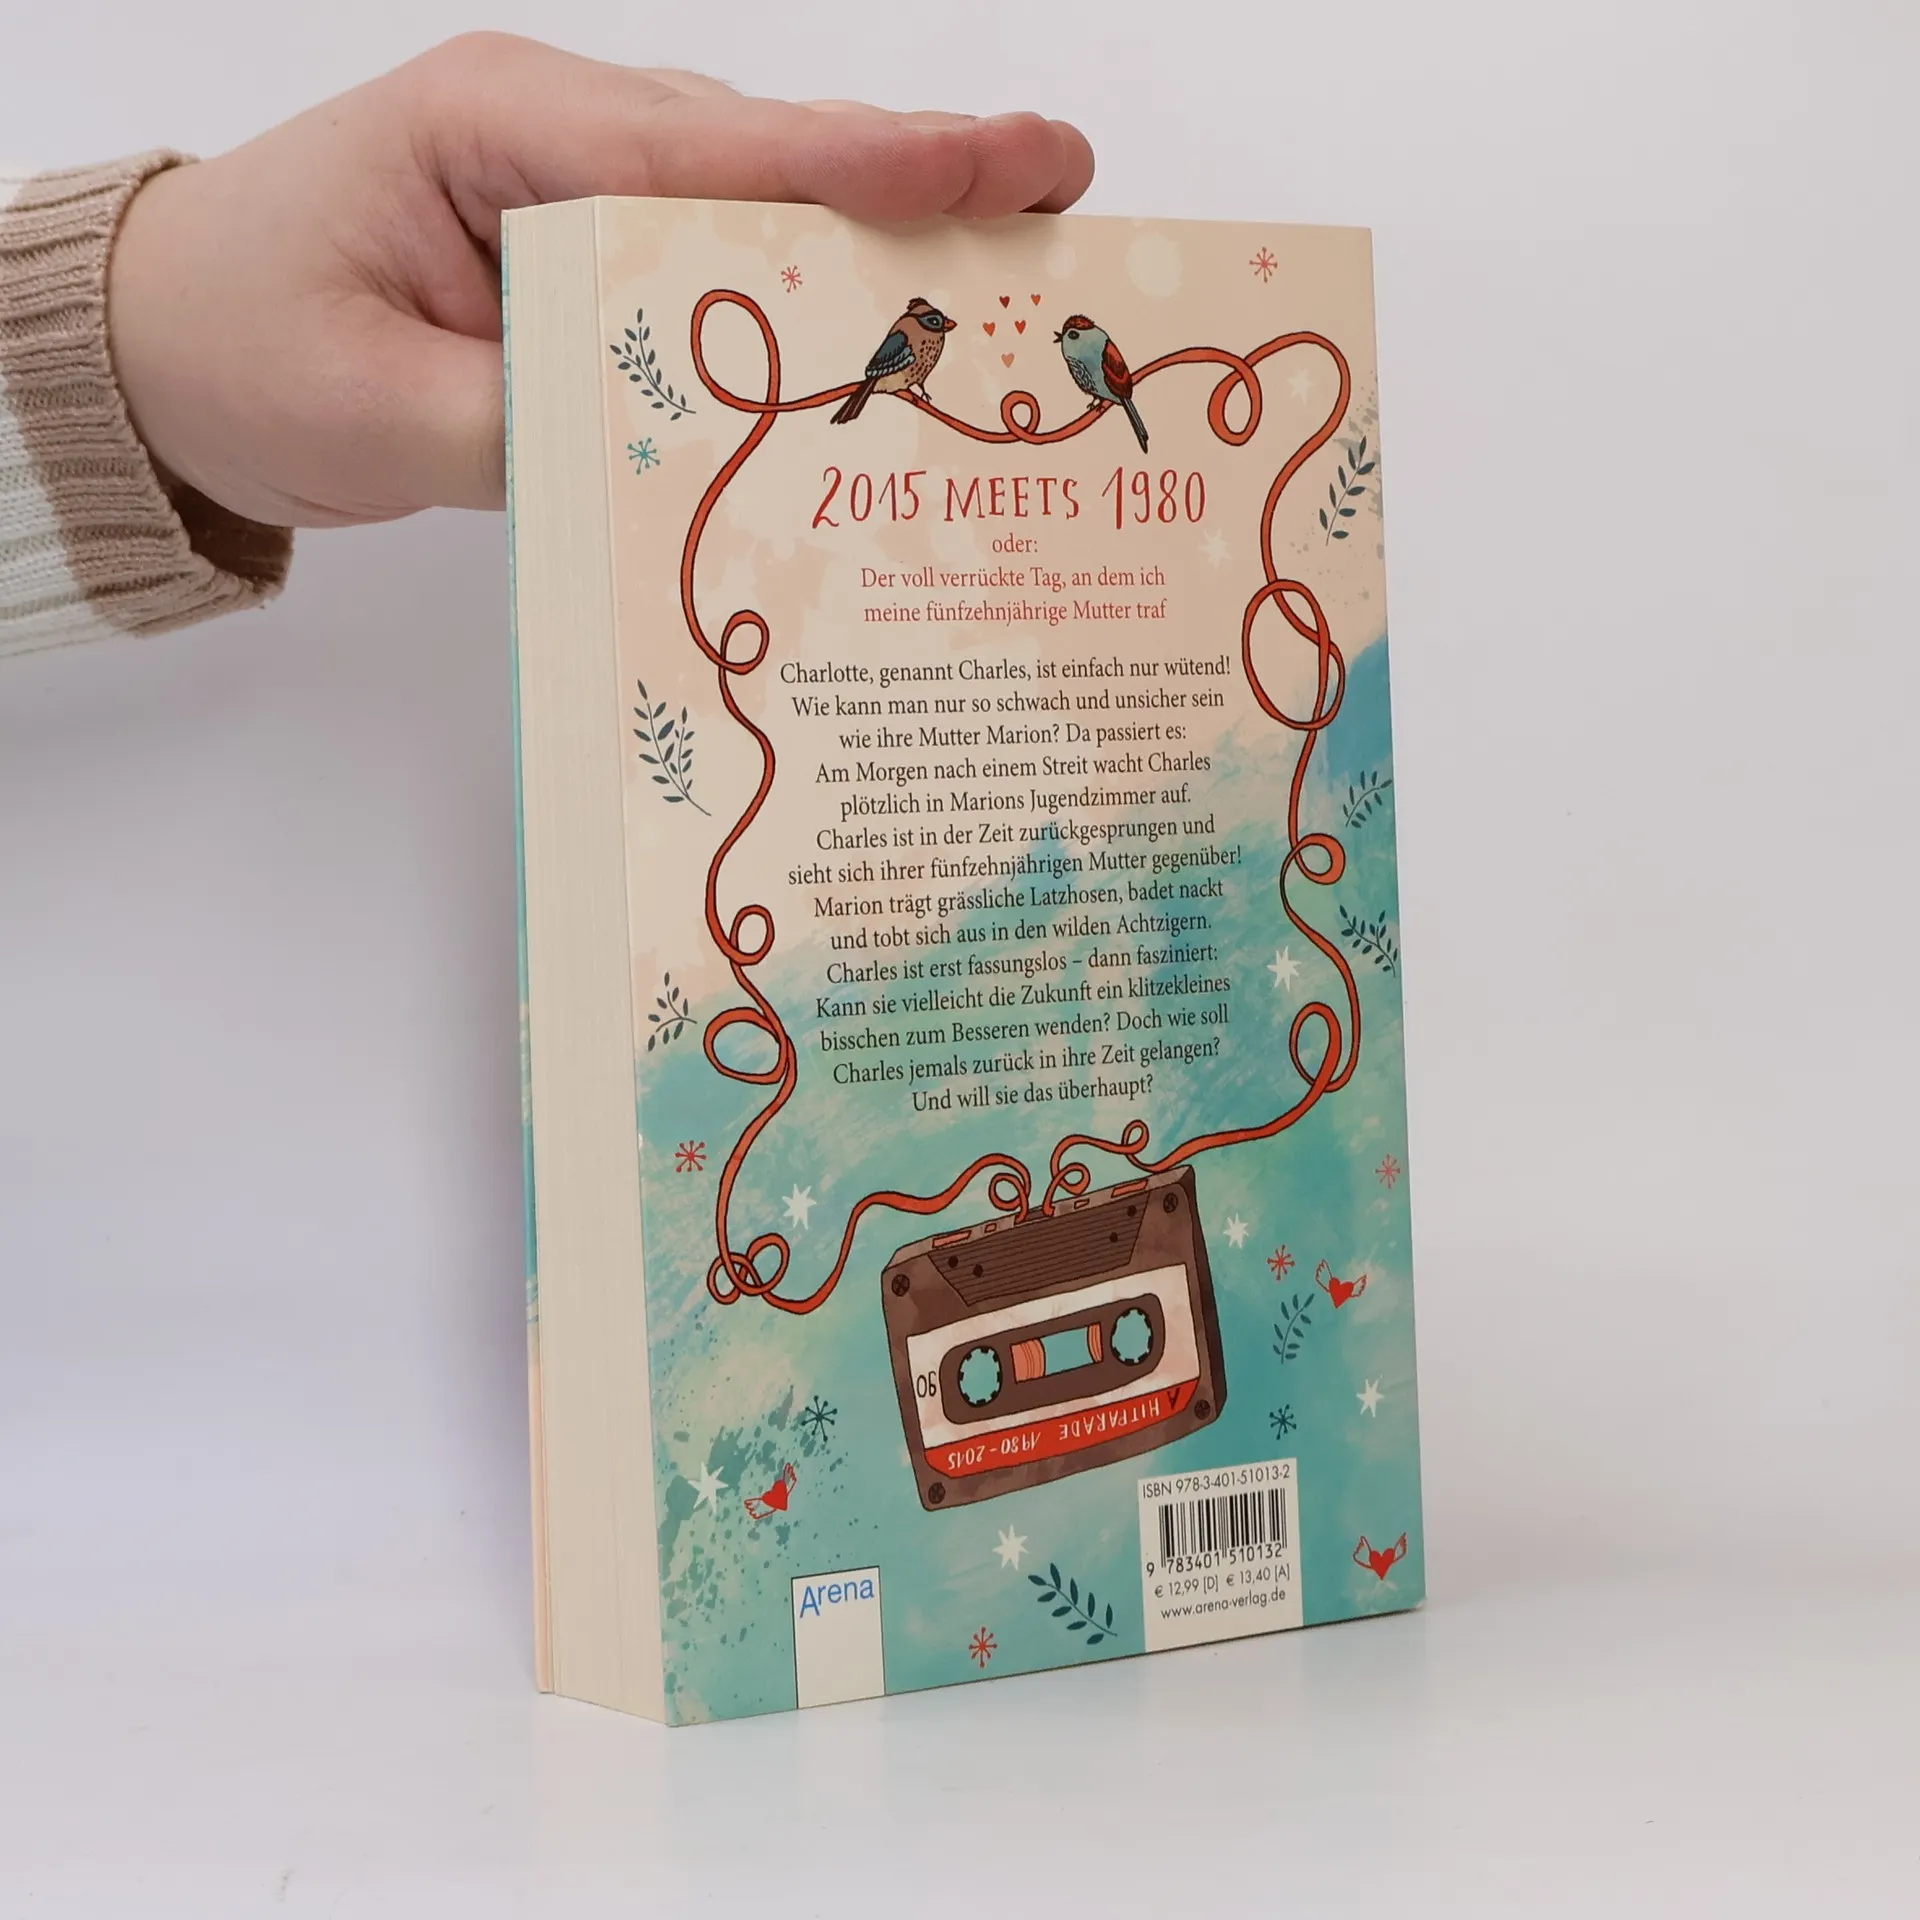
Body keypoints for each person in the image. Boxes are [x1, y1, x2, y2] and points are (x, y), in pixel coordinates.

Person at [0, 34, 1095, 659]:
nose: (928, 335)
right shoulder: (898, 343)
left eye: (928, 332)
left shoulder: (918, 341)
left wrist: (128, 328)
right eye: (926, 330)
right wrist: (124, 343)